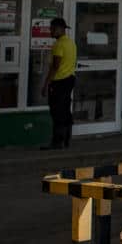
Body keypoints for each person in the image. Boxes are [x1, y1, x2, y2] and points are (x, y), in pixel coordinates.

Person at [42, 17, 76, 150]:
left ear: (60, 29)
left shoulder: (59, 44)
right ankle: (66, 140)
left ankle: (57, 142)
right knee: (65, 110)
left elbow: (55, 66)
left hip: (59, 81)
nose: (50, 31)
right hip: (69, 79)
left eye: (52, 29)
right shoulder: (71, 43)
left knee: (57, 112)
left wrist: (46, 83)